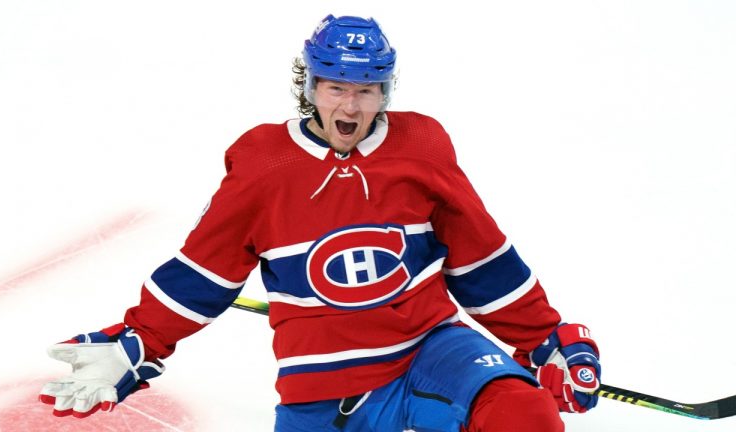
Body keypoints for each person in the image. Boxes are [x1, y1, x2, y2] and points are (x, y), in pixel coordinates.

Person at [39, 14, 601, 431]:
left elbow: (482, 259)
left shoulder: (422, 146)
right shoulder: (265, 165)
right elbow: (206, 272)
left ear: (385, 91)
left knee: (523, 410)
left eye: (365, 90)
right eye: (336, 88)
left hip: (431, 349)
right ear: (309, 87)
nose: (351, 108)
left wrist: (544, 339)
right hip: (322, 389)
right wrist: (141, 339)